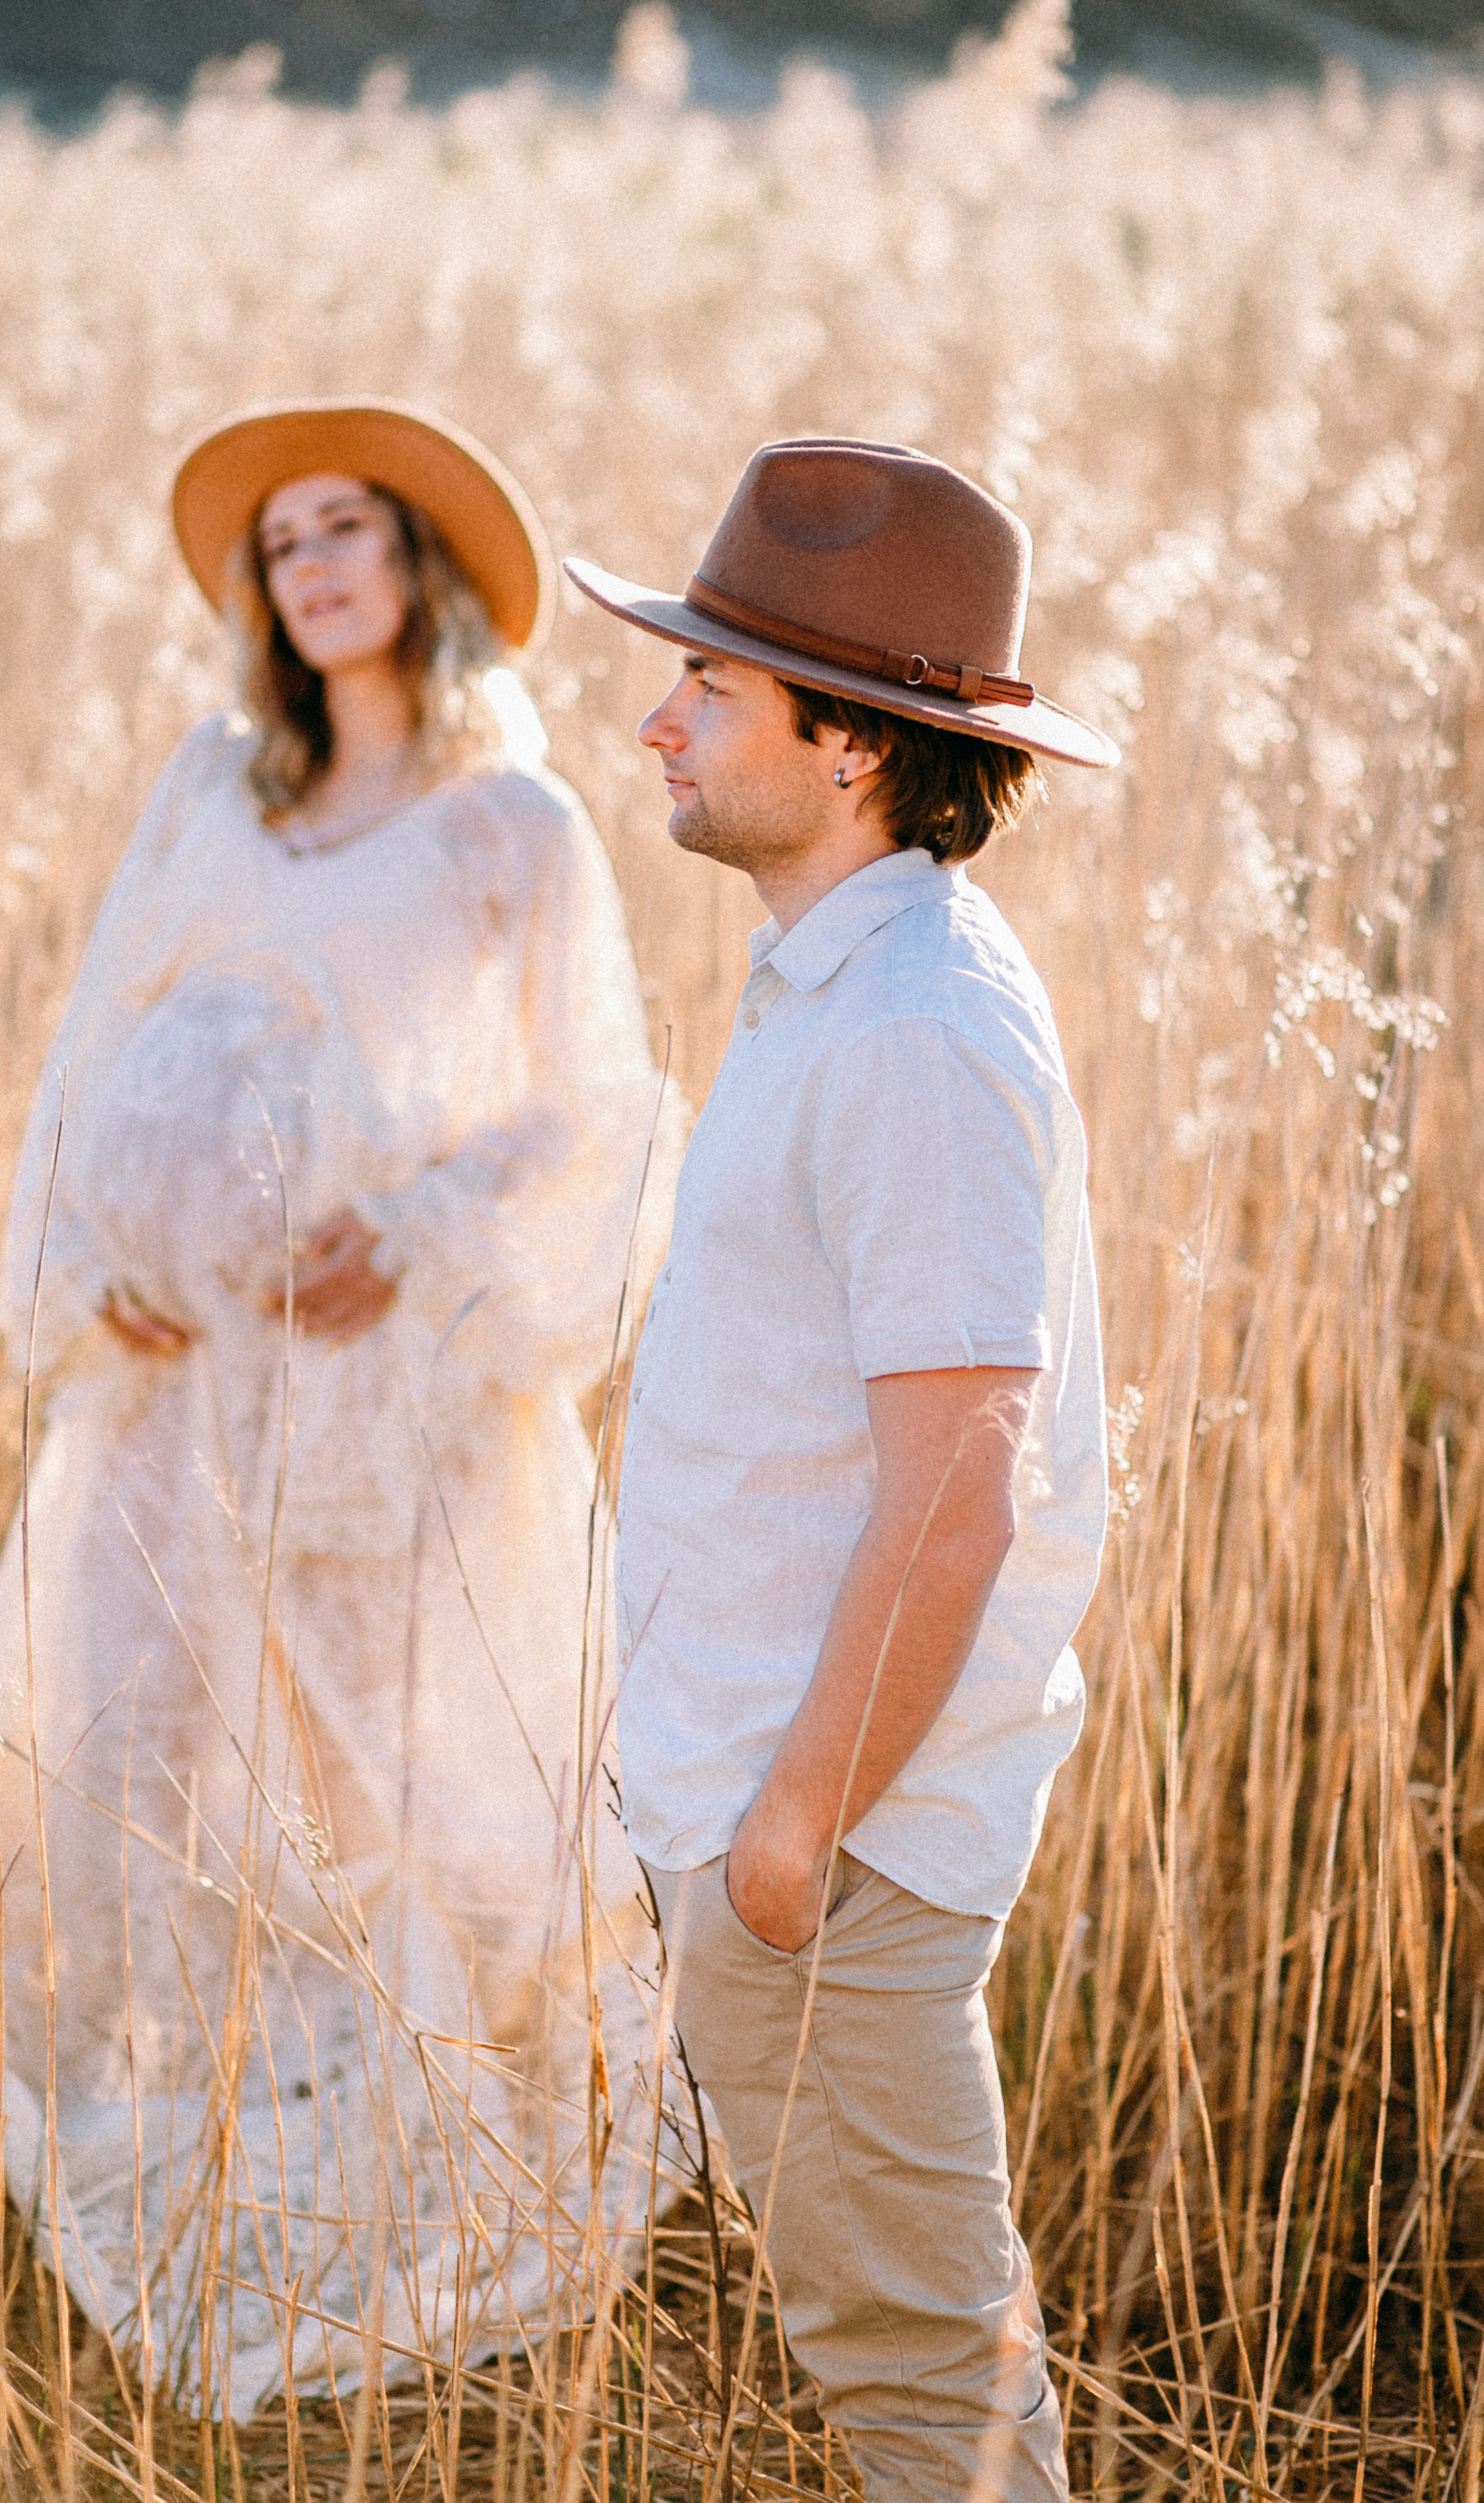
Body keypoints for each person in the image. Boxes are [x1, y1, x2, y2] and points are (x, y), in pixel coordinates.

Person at [0, 400, 680, 2422]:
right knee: (136, 1764)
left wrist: (414, 1222)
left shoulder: (518, 824)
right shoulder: (213, 784)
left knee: (389, 1784)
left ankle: (383, 2156)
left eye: (349, 532)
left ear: (420, 568)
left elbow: (599, 1106)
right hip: (164, 1401)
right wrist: (86, 1251)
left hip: (386, 1408)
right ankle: (153, 2118)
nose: (312, 568)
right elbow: (94, 1029)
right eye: (284, 542)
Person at [566, 438, 1120, 2502]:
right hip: (779, 1811)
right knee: (894, 2362)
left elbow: (960, 1477)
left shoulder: (913, 1025)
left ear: (857, 750)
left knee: (923, 2390)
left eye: (709, 692)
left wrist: (791, 1838)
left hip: (842, 1851)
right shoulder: (836, 984)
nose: (659, 721)